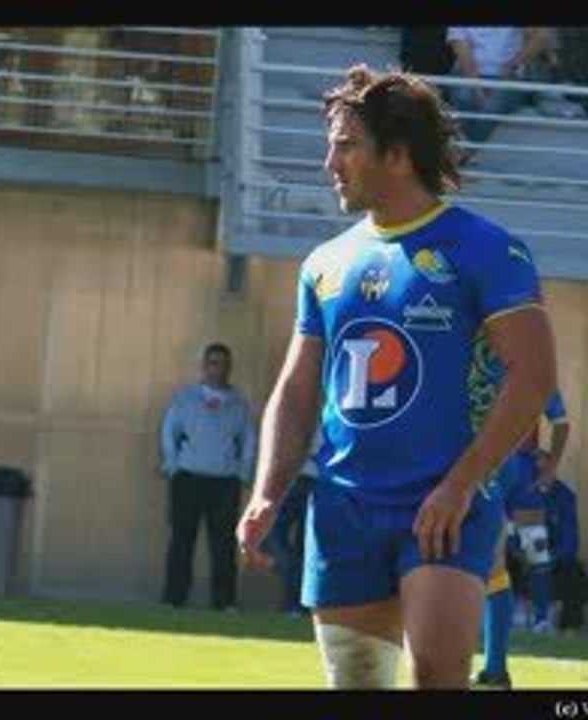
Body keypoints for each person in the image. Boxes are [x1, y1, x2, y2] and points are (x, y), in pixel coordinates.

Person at [236, 64, 558, 689]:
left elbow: (534, 376)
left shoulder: (487, 249)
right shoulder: (325, 262)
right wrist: (267, 492)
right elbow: (297, 390)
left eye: (346, 145)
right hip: (344, 506)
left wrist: (462, 483)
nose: (330, 163)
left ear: (399, 154)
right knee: (357, 681)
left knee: (435, 673)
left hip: (441, 502)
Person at [471, 390, 570, 690]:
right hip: (491, 464)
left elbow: (561, 422)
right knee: (495, 558)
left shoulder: (531, 368)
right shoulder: (485, 365)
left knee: (532, 548)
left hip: (509, 467)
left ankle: (540, 619)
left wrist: (551, 466)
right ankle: (495, 664)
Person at [160, 342, 257, 611]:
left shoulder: (239, 403)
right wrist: (173, 466)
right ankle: (173, 598)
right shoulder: (185, 398)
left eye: (224, 364)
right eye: (213, 363)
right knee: (181, 540)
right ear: (204, 366)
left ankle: (225, 602)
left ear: (230, 368)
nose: (218, 369)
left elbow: (248, 441)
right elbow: (169, 432)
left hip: (224, 481)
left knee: (223, 545)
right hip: (188, 478)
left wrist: (242, 473)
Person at [445, 27, 552, 158]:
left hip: (507, 76)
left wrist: (513, 64)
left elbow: (542, 35)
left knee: (490, 108)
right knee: (464, 98)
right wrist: (476, 87)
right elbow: (462, 51)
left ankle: (464, 154)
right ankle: (461, 153)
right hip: (466, 73)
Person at [261, 430, 322, 616]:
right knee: (270, 536)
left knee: (306, 547)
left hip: (319, 482)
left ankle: (298, 604)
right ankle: (296, 594)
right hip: (290, 480)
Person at [537, 474, 585, 632]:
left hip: (552, 557)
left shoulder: (563, 495)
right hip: (519, 554)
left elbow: (570, 541)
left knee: (574, 570)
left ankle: (570, 629)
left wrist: (552, 557)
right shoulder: (518, 488)